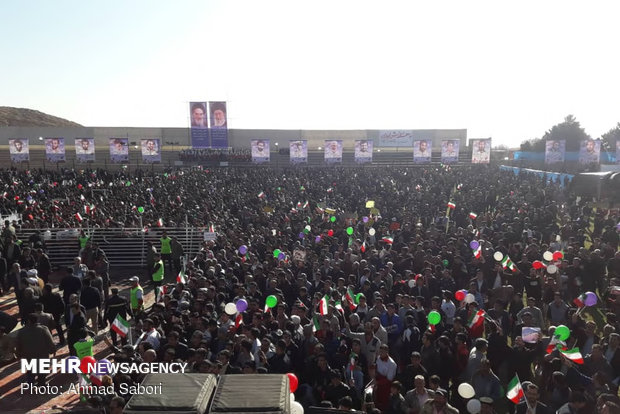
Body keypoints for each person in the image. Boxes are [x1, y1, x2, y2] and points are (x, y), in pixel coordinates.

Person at [16, 313, 56, 385]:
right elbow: (50, 341)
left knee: (30, 372)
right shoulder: (43, 329)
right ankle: (41, 384)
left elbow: (18, 345)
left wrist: (19, 355)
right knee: (42, 372)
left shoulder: (22, 331)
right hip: (42, 355)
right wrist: (53, 350)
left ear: (28, 321)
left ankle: (31, 386)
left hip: (28, 356)